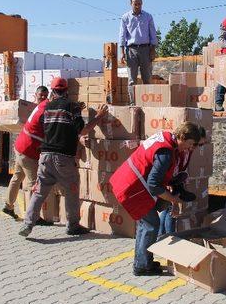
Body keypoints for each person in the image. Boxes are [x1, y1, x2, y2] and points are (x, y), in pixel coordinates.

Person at [109, 122, 203, 276]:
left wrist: (174, 183)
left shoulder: (166, 138)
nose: (191, 149)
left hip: (131, 182)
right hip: (133, 188)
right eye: (190, 144)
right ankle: (142, 266)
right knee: (151, 224)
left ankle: (143, 261)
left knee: (145, 224)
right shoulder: (166, 152)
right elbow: (154, 185)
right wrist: (173, 199)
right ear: (182, 137)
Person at [19, 78, 109, 237]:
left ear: (52, 91)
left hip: (45, 157)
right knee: (72, 189)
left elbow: (55, 126)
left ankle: (27, 224)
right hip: (63, 158)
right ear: (67, 90)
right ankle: (72, 226)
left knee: (39, 192)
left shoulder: (47, 108)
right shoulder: (72, 107)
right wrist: (99, 116)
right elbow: (83, 130)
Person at [2, 85, 50, 220]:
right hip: (28, 151)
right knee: (33, 184)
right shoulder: (41, 111)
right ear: (35, 95)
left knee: (17, 177)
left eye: (45, 96)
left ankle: (8, 205)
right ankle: (32, 216)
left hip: (20, 147)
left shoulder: (35, 109)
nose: (43, 97)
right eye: (41, 95)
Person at [158, 127, 207, 236]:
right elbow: (173, 168)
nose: (196, 148)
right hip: (169, 181)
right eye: (197, 144)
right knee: (171, 210)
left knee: (168, 210)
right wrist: (171, 185)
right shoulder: (180, 150)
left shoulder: (188, 150)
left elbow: (181, 168)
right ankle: (167, 238)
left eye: (201, 145)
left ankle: (163, 237)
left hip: (174, 181)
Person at [118, 0, 158, 105]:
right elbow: (122, 35)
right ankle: (133, 103)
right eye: (135, 4)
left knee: (147, 78)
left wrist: (153, 50)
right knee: (132, 80)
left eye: (139, 4)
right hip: (131, 50)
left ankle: (149, 102)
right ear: (131, 4)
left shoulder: (148, 16)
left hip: (146, 49)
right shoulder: (125, 17)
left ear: (142, 3)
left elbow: (153, 34)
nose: (138, 6)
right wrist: (122, 52)